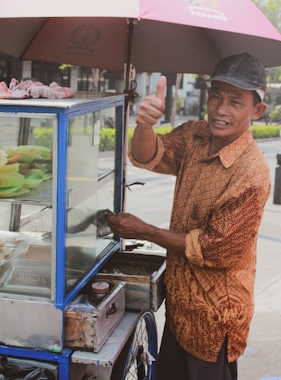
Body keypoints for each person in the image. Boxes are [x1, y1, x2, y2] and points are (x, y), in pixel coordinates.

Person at [106, 52, 271, 380]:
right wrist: (144, 125)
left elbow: (212, 249)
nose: (221, 110)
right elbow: (149, 154)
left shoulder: (252, 172)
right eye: (216, 97)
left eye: (235, 102)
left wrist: (144, 230)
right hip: (181, 307)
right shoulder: (196, 136)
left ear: (257, 110)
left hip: (214, 318)